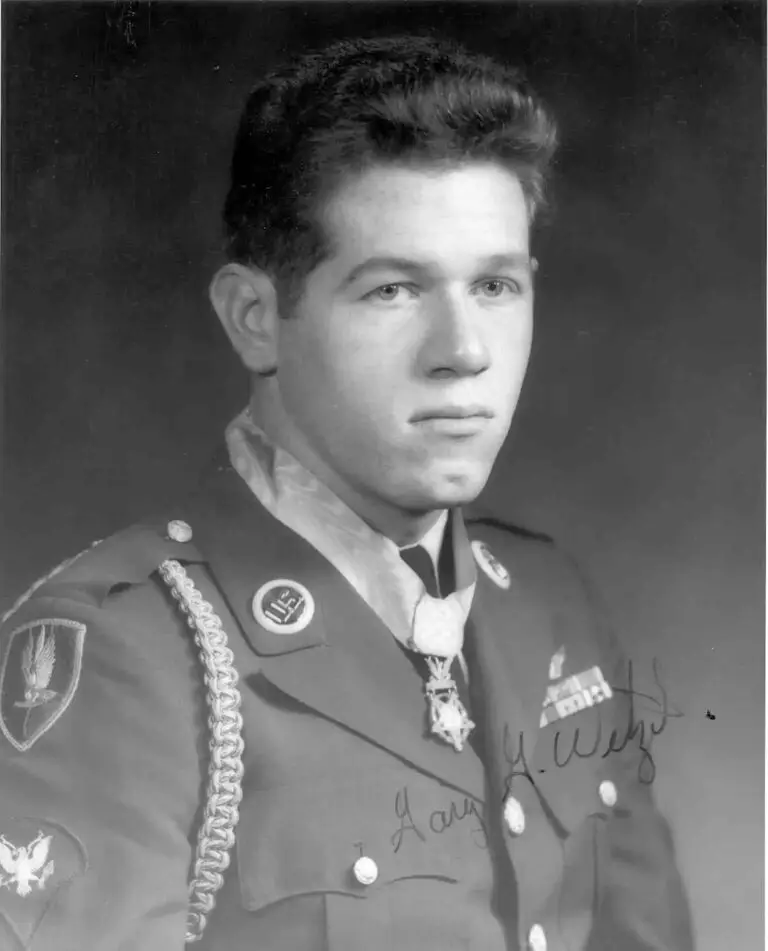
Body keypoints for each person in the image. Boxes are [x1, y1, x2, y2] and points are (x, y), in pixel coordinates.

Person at [0, 34, 694, 951]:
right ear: (256, 320)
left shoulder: (550, 604)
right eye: (395, 289)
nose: (466, 349)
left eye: (495, 283)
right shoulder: (130, 655)